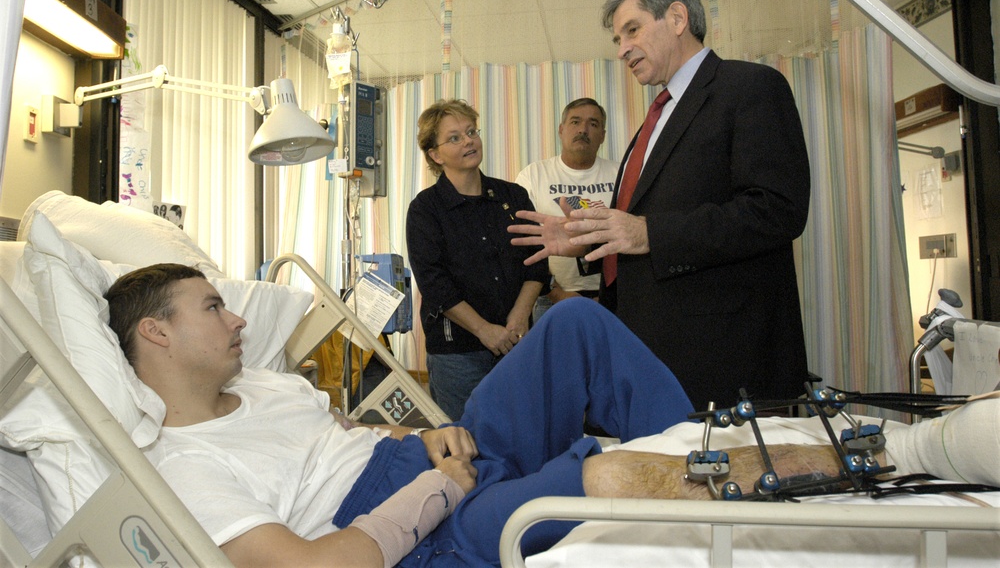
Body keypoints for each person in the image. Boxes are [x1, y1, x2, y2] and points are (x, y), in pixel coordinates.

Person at [106, 263, 1000, 568]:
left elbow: (342, 440)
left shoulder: (264, 385)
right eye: (212, 307)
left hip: (431, 465)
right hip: (411, 534)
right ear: (155, 332)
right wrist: (436, 491)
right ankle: (902, 454)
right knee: (605, 480)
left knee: (572, 323)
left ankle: (701, 449)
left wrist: (418, 437)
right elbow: (313, 565)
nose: (237, 318)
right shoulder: (176, 466)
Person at [510, 0, 812, 411]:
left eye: (631, 30)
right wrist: (587, 237)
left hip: (722, 358)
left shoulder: (749, 87)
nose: (621, 50)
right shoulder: (653, 122)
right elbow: (650, 220)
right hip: (652, 353)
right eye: (617, 39)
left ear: (676, 18)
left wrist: (650, 233)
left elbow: (778, 209)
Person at [406, 99, 549, 421]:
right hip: (458, 354)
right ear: (435, 155)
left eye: (471, 132)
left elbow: (537, 262)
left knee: (521, 435)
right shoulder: (425, 210)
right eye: (454, 137)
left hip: (517, 342)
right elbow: (434, 284)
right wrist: (484, 330)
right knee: (464, 445)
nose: (469, 140)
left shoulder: (513, 196)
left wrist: (519, 316)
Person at [515, 98, 619, 321]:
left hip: (614, 298)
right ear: (561, 130)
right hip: (550, 297)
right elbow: (521, 244)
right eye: (575, 122)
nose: (583, 129)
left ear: (603, 135)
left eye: (593, 124)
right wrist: (558, 293)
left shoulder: (622, 174)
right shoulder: (533, 176)